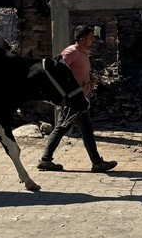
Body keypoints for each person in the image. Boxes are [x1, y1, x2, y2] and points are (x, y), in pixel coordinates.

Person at [37, 25, 117, 173]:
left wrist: (89, 80)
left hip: (81, 99)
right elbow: (58, 70)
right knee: (62, 127)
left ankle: (96, 163)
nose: (93, 40)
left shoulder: (84, 53)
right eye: (90, 37)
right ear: (82, 39)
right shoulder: (70, 52)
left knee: (85, 130)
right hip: (73, 99)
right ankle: (45, 159)